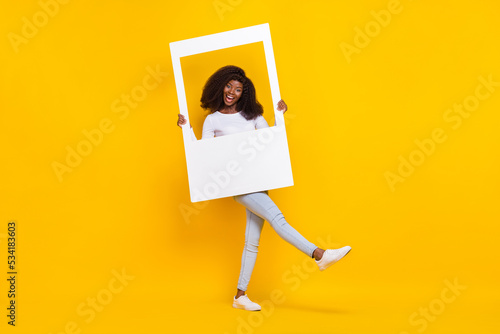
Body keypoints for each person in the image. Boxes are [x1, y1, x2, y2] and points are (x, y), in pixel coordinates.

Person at [177, 65, 351, 311]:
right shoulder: (212, 119)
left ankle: (240, 296)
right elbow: (205, 155)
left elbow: (271, 141)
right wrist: (186, 131)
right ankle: (319, 255)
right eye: (228, 86)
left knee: (252, 242)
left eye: (238, 89)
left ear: (243, 93)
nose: (232, 92)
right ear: (220, 86)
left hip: (259, 180)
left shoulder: (252, 116)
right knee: (277, 219)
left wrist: (280, 116)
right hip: (238, 184)